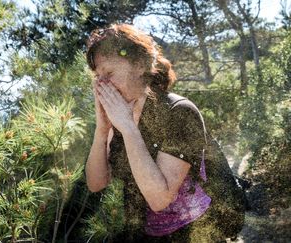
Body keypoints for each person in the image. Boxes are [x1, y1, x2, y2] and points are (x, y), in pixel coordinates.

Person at [84, 24, 244, 242]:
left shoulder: (179, 112)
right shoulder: (119, 116)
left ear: (140, 65)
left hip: (197, 230)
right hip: (148, 234)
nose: (102, 84)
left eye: (109, 73)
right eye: (98, 77)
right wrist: (102, 131)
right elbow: (96, 183)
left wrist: (128, 128)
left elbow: (160, 199)